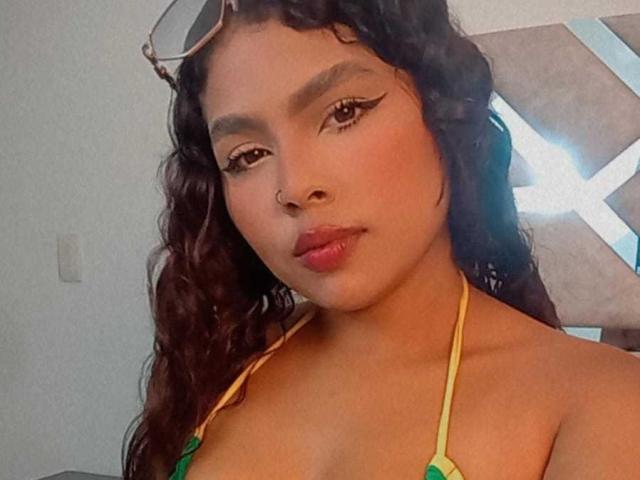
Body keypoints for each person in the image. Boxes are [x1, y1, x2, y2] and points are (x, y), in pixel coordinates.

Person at [123, 1, 640, 478]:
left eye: (344, 112)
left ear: (443, 111)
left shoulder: (602, 405)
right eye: (247, 156)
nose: (295, 187)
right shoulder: (219, 361)